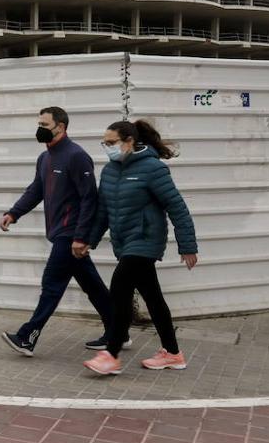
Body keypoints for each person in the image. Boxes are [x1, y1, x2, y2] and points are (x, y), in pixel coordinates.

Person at [79, 119, 199, 376]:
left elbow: (177, 207)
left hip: (145, 240)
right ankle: (173, 353)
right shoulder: (110, 171)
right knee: (153, 298)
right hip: (124, 242)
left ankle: (111, 354)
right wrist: (90, 240)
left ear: (129, 141)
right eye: (104, 143)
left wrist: (187, 245)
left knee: (119, 290)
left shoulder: (152, 168)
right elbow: (103, 212)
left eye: (111, 142)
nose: (107, 147)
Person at [0, 106, 119, 357]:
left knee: (51, 285)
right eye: (39, 124)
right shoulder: (45, 158)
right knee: (93, 285)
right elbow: (36, 189)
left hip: (70, 233)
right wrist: (13, 213)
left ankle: (27, 337)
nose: (39, 129)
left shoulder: (76, 156)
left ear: (61, 127)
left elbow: (89, 199)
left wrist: (82, 236)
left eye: (44, 125)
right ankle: (119, 331)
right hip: (61, 232)